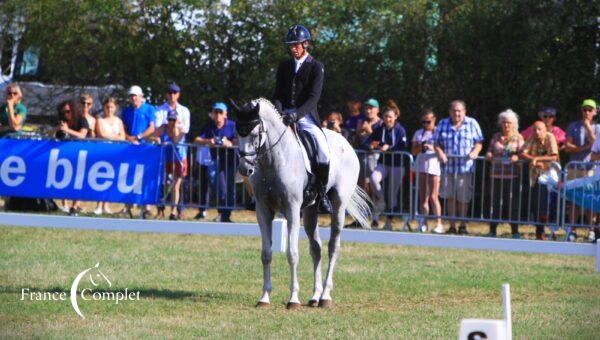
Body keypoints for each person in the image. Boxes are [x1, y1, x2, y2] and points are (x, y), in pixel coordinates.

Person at [272, 24, 331, 213]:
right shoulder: (284, 66)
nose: (293, 48)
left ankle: (321, 194)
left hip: (305, 116)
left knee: (322, 150)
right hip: (284, 115)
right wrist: (279, 112)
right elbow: (278, 94)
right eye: (291, 45)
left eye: (296, 45)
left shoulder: (316, 67)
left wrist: (296, 114)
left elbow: (314, 97)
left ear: (305, 44)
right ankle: (260, 191)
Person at [433, 100, 483, 234]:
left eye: (460, 110)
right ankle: (452, 226)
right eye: (454, 110)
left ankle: (462, 225)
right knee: (449, 197)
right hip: (448, 168)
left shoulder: (472, 123)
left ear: (464, 111)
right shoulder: (443, 123)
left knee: (463, 198)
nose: (457, 113)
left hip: (464, 168)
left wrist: (475, 152)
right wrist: (441, 153)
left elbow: (479, 142)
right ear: (450, 112)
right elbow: (435, 143)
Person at [194, 102, 237, 222]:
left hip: (231, 161)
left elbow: (240, 141)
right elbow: (197, 139)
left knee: (229, 188)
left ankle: (226, 215)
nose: (218, 114)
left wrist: (229, 143)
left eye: (220, 112)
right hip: (215, 161)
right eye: (215, 112)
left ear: (225, 114)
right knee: (221, 187)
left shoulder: (232, 125)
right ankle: (222, 213)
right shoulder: (209, 125)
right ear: (212, 113)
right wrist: (209, 141)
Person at [485, 109, 524, 238]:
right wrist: (489, 154)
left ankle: (515, 231)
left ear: (514, 124)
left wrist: (517, 157)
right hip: (496, 175)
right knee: (495, 203)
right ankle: (492, 230)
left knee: (513, 204)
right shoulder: (496, 137)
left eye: (508, 123)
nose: (506, 125)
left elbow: (523, 154)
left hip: (513, 176)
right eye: (504, 123)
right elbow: (489, 150)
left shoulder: (519, 138)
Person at [369, 107, 407, 229]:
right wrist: (375, 145)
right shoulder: (380, 129)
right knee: (373, 178)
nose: (388, 119)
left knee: (393, 193)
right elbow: (370, 141)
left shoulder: (400, 129)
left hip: (397, 165)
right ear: (383, 117)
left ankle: (389, 222)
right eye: (386, 116)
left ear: (395, 117)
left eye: (390, 117)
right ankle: (382, 199)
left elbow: (403, 146)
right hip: (383, 163)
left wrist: (389, 147)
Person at [121, 85, 156, 218]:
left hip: (145, 148)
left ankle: (146, 207)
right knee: (128, 177)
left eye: (135, 95)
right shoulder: (126, 111)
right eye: (131, 96)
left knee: (145, 177)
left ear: (141, 96)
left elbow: (152, 128)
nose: (133, 98)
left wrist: (138, 137)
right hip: (130, 148)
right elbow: (122, 128)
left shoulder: (149, 109)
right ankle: (127, 207)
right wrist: (130, 139)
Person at [520, 121, 559, 240]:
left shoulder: (550, 137)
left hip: (551, 177)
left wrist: (537, 159)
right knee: (538, 205)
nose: (537, 132)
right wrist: (534, 160)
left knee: (551, 206)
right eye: (535, 129)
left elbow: (554, 156)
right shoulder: (532, 137)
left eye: (540, 129)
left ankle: (552, 232)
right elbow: (522, 153)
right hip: (536, 177)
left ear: (545, 129)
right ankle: (540, 231)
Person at [53, 100, 89, 216]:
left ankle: (74, 206)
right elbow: (52, 135)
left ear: (73, 110)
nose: (66, 114)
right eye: (63, 112)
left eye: (68, 111)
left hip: (80, 155)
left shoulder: (82, 120)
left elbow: (82, 135)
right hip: (64, 155)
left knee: (78, 181)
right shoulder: (61, 121)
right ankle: (65, 204)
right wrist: (57, 130)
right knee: (63, 178)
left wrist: (67, 130)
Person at [151, 109, 187, 220]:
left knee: (176, 186)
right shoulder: (163, 127)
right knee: (165, 185)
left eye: (173, 119)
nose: (171, 122)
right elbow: (151, 136)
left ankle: (173, 211)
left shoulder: (181, 128)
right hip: (167, 159)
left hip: (179, 160)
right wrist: (156, 139)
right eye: (170, 119)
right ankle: (161, 211)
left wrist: (176, 126)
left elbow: (176, 139)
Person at [411, 107, 443, 233]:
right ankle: (424, 223)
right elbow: (413, 151)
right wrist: (420, 147)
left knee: (433, 197)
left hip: (434, 167)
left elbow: (443, 151)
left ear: (434, 120)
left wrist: (433, 147)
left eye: (428, 122)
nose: (426, 124)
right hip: (421, 167)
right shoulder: (418, 133)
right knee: (423, 197)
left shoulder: (439, 133)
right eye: (423, 122)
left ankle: (439, 223)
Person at [94, 97, 125, 215]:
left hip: (116, 152)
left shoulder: (119, 121)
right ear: (104, 108)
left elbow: (122, 137)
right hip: (103, 152)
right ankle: (98, 205)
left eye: (111, 107)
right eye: (107, 107)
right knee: (100, 177)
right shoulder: (100, 120)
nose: (109, 109)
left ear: (115, 108)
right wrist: (115, 136)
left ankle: (106, 205)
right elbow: (101, 134)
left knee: (111, 179)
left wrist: (111, 136)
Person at [354, 98, 383, 192]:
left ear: (378, 110)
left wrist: (369, 131)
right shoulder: (362, 121)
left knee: (371, 182)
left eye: (371, 108)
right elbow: (357, 141)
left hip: (374, 157)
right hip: (361, 155)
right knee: (361, 182)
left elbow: (381, 141)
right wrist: (358, 132)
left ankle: (374, 204)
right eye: (366, 108)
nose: (368, 110)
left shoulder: (381, 123)